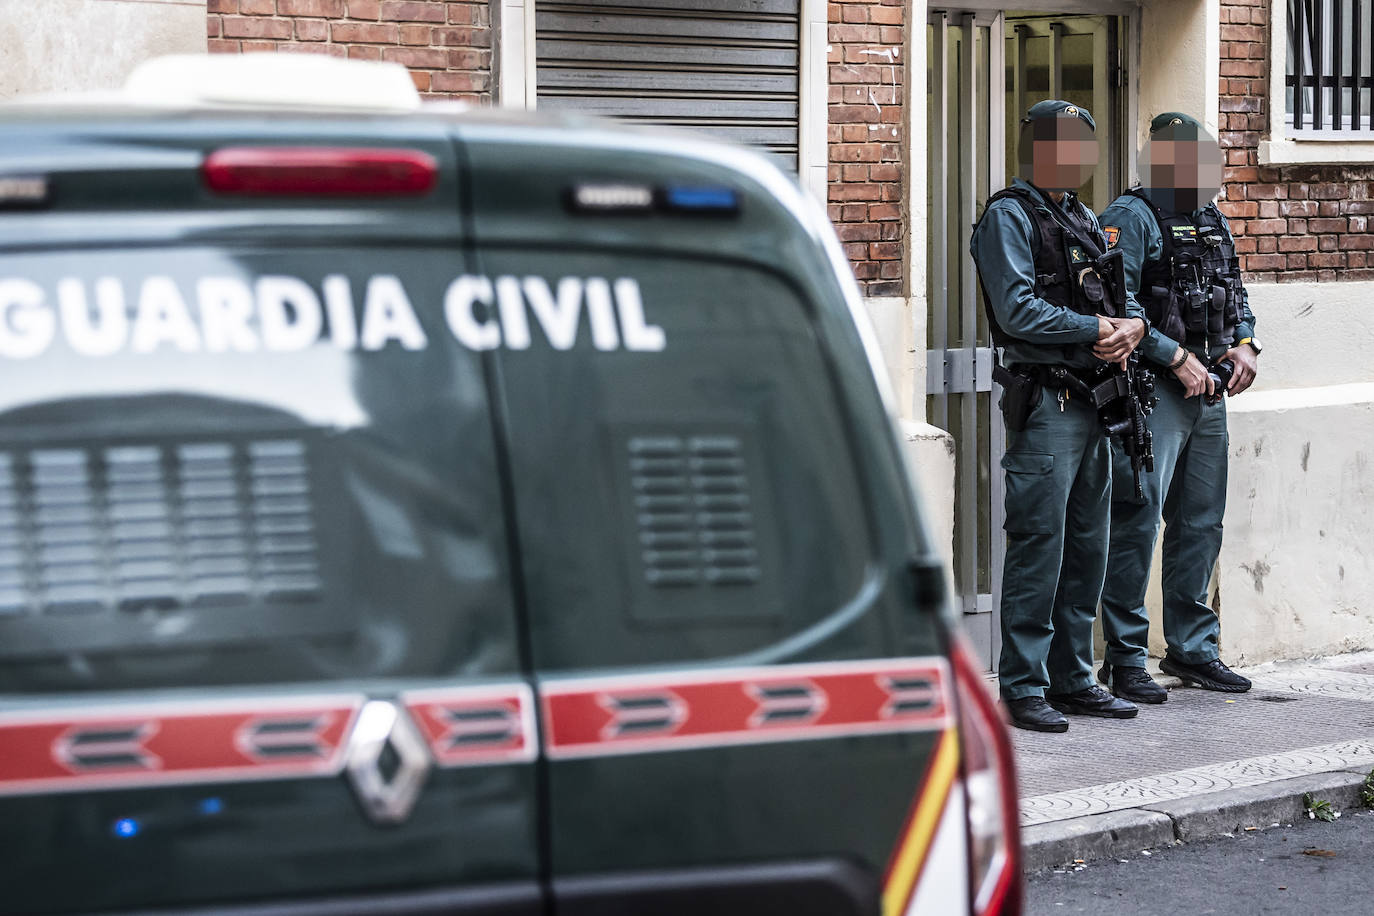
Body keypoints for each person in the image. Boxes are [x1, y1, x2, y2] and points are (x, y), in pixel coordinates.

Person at [971, 100, 1148, 732]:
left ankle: (1074, 677)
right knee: (1039, 545)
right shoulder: (1008, 216)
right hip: (1047, 403)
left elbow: (1124, 299)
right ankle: (1024, 684)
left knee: (1087, 547)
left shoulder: (1083, 217)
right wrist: (1095, 326)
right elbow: (1017, 310)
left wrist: (1131, 328)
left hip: (1099, 405)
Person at [1096, 112, 1259, 702]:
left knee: (1200, 523)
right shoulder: (1130, 216)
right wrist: (1174, 357)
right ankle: (1125, 658)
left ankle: (1192, 649)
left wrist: (1244, 343)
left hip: (1211, 392)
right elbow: (1120, 302)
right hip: (1155, 391)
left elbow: (1235, 290)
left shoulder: (1211, 216)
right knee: (1137, 521)